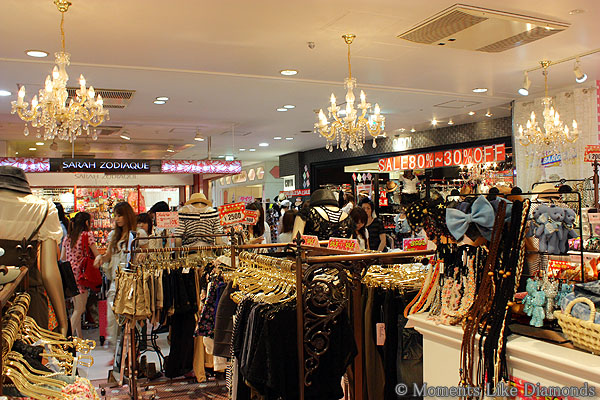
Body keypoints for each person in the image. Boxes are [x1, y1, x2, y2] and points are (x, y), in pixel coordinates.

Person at [0, 166, 68, 335]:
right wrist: (63, 322)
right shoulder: (43, 208)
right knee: (30, 350)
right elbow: (49, 272)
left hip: (24, 303)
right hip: (28, 305)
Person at [94, 201, 140, 343]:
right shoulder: (114, 235)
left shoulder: (137, 234)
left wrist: (141, 255)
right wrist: (100, 258)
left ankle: (133, 345)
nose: (117, 219)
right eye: (116, 215)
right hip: (117, 279)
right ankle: (116, 346)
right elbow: (108, 255)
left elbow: (144, 253)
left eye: (120, 215)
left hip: (133, 280)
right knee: (112, 314)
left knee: (132, 316)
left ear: (127, 216)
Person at [61, 212, 101, 338]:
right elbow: (97, 255)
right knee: (80, 309)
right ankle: (65, 338)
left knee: (76, 308)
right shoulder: (87, 235)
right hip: (81, 275)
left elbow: (62, 257)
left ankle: (79, 338)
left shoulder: (68, 237)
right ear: (87, 223)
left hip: (69, 275)